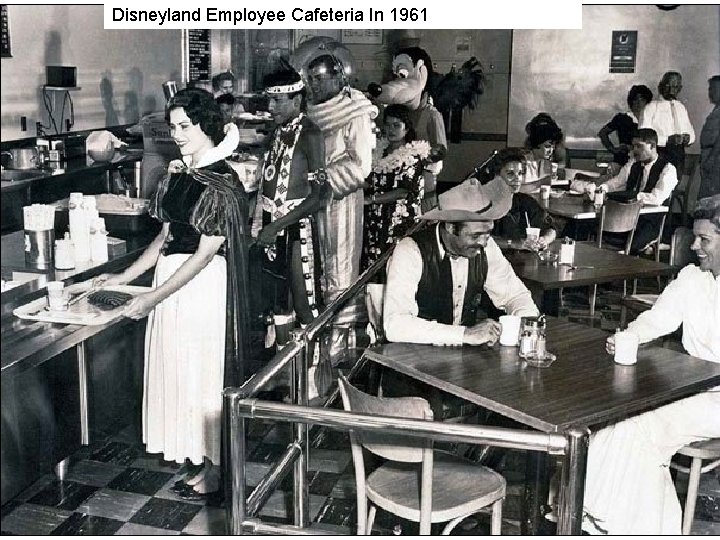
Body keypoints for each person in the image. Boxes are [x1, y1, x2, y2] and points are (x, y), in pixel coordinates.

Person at [92, 88, 250, 499]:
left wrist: (153, 296)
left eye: (185, 126)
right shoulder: (180, 174)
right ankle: (199, 460)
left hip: (201, 288)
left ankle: (217, 468)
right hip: (173, 282)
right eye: (173, 126)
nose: (177, 135)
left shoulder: (222, 182)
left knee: (202, 374)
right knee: (180, 372)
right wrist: (125, 278)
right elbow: (164, 238)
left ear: (207, 126)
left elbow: (202, 255)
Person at [582, 195, 720, 535]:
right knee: (615, 421)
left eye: (705, 239)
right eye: (695, 238)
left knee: (638, 430)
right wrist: (628, 337)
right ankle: (623, 526)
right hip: (692, 389)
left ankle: (606, 520)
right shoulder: (692, 278)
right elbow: (658, 319)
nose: (696, 247)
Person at [384, 178, 539, 346]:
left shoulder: (485, 247)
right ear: (450, 227)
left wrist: (526, 323)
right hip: (412, 358)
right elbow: (395, 325)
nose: (484, 242)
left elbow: (515, 295)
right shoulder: (410, 251)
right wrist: (465, 334)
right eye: (475, 235)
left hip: (464, 360)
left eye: (488, 233)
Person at [301, 50, 378, 372]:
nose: (314, 86)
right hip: (312, 198)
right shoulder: (312, 110)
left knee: (340, 267)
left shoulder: (355, 111)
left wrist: (321, 177)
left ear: (339, 78)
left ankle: (340, 346)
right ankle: (318, 341)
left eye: (320, 79)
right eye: (310, 80)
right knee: (314, 265)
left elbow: (361, 166)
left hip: (340, 199)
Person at [251, 67, 330, 327]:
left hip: (297, 230)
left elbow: (320, 196)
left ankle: (315, 366)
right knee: (275, 308)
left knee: (306, 309)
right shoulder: (277, 131)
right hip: (269, 227)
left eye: (277, 101)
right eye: (268, 100)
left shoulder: (310, 134)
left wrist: (277, 225)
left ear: (296, 100)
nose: (270, 107)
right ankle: (284, 365)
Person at [571, 128, 678, 254]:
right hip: (626, 215)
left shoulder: (668, 169)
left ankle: (627, 256)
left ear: (652, 146)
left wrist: (630, 197)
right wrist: (602, 189)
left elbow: (657, 198)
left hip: (649, 220)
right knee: (581, 224)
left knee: (629, 245)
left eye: (639, 146)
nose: (634, 151)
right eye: (633, 146)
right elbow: (617, 182)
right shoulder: (633, 163)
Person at [368, 47, 447, 211]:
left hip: (421, 188)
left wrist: (417, 157)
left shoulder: (431, 115)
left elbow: (440, 150)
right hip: (390, 189)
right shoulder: (396, 112)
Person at [362, 104, 429, 272]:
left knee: (396, 266)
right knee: (373, 265)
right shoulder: (378, 150)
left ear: (407, 128)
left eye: (397, 125)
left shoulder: (413, 155)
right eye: (388, 125)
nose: (391, 130)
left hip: (398, 220)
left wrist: (371, 199)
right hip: (375, 220)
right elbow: (371, 182)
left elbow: (405, 191)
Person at [487, 147, 557, 245]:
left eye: (520, 173)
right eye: (510, 174)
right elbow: (481, 240)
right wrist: (514, 244)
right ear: (497, 176)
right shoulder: (486, 204)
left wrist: (544, 239)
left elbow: (551, 229)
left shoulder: (526, 202)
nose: (517, 179)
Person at [640, 71, 696, 174]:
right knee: (657, 187)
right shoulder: (651, 108)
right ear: (660, 86)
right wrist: (667, 140)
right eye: (667, 86)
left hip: (679, 155)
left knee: (674, 185)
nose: (671, 90)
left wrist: (688, 138)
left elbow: (691, 132)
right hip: (659, 154)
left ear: (680, 88)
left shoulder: (681, 107)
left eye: (675, 87)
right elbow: (643, 136)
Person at [598, 84, 653, 167]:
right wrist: (612, 149)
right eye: (635, 99)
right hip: (623, 161)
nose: (638, 103)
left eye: (642, 99)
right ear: (631, 101)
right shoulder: (622, 118)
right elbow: (603, 133)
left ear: (647, 102)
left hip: (645, 162)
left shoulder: (651, 119)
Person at [524, 113, 566, 183]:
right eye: (547, 147)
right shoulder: (524, 163)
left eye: (553, 147)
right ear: (536, 145)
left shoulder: (547, 162)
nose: (551, 151)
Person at [699, 75, 720, 199]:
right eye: (709, 89)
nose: (710, 93)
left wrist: (711, 159)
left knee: (714, 195)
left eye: (713, 89)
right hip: (708, 155)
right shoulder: (716, 109)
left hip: (716, 158)